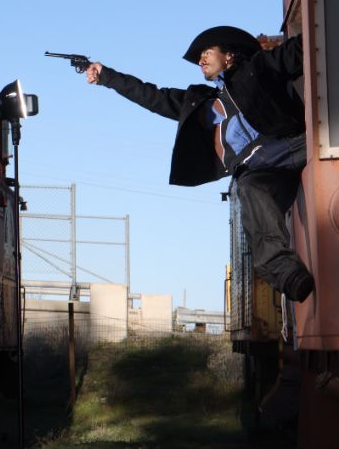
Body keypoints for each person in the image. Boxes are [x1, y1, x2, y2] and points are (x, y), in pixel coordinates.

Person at [85, 25, 314, 303]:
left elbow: (301, 48)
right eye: (199, 58)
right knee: (248, 189)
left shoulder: (257, 69)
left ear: (228, 56)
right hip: (262, 173)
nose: (201, 60)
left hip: (292, 143)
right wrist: (107, 76)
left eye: (207, 53)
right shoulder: (204, 104)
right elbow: (153, 96)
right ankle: (288, 274)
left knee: (323, 142)